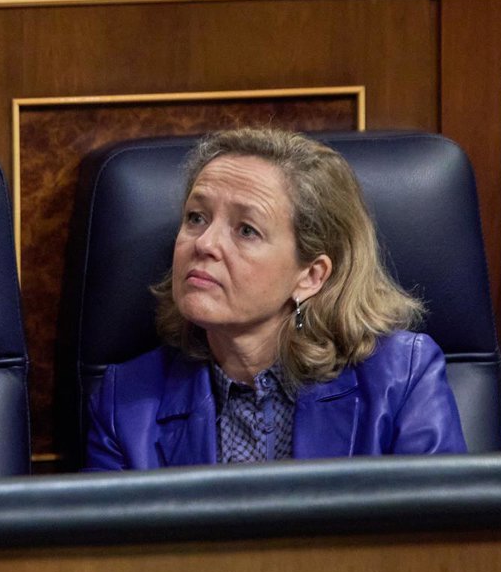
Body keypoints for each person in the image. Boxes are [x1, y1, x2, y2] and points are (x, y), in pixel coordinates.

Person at [85, 127, 467, 470]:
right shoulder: (125, 404)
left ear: (311, 276)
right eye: (196, 217)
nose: (204, 244)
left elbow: (440, 525)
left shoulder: (401, 380)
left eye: (246, 230)